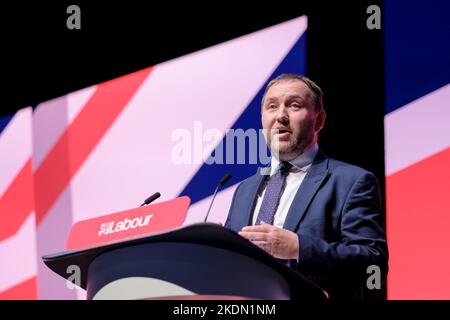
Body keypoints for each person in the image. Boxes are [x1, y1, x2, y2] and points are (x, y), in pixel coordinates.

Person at [225, 73, 388, 300]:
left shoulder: (351, 182)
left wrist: (299, 248)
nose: (281, 115)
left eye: (294, 105)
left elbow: (374, 266)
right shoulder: (244, 190)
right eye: (272, 107)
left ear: (319, 120)